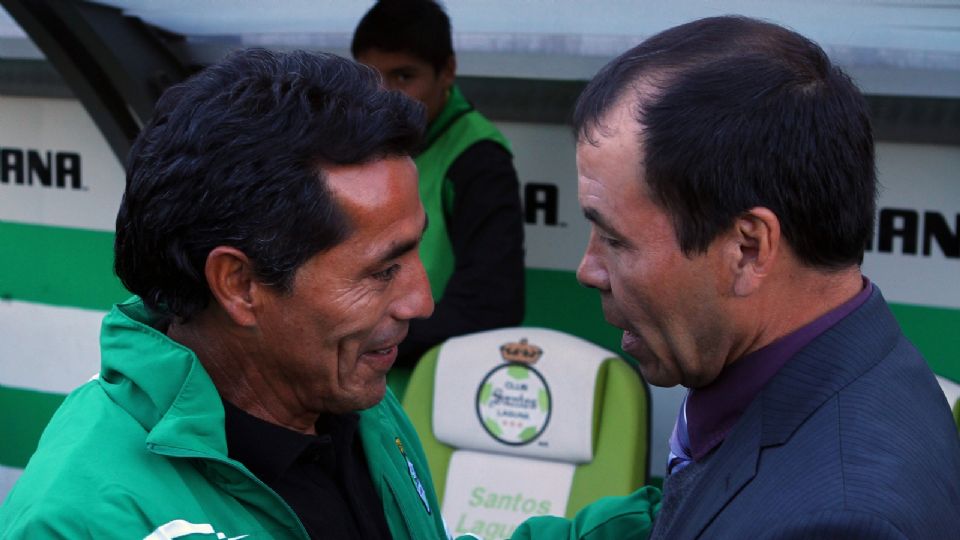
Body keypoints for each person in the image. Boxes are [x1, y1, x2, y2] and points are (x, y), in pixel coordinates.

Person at [516, 15, 960, 540]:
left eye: (614, 239)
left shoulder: (839, 519)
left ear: (748, 249)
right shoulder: (827, 372)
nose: (588, 271)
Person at [0, 49, 451, 540]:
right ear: (239, 285)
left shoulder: (361, 403)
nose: (420, 301)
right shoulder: (83, 520)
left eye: (414, 253)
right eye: (382, 270)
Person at [352, 0, 525, 380]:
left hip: (426, 384)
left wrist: (365, 339)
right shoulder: (355, 141)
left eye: (404, 76)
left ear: (447, 71)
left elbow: (490, 304)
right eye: (370, 77)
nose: (384, 96)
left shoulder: (479, 159)